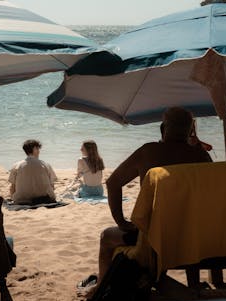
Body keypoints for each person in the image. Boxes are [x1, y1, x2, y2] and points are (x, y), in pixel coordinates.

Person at [87, 107, 212, 291]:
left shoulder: (149, 152)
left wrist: (121, 222)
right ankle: (193, 284)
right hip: (193, 236)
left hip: (154, 239)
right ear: (191, 130)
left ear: (163, 128)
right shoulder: (201, 156)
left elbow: (113, 183)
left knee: (107, 237)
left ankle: (102, 288)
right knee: (187, 221)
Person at [8, 139, 57, 204]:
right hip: (44, 198)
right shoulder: (45, 165)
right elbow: (52, 186)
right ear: (35, 149)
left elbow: (12, 187)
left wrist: (13, 198)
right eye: (38, 149)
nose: (39, 151)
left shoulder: (16, 165)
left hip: (22, 199)